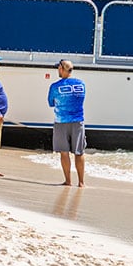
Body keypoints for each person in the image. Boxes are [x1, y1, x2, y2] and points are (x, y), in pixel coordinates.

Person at [48, 59, 87, 187]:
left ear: (61, 69)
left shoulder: (55, 86)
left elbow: (51, 103)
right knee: (79, 152)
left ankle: (68, 181)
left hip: (61, 121)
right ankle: (81, 182)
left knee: (64, 152)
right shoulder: (81, 84)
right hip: (78, 121)